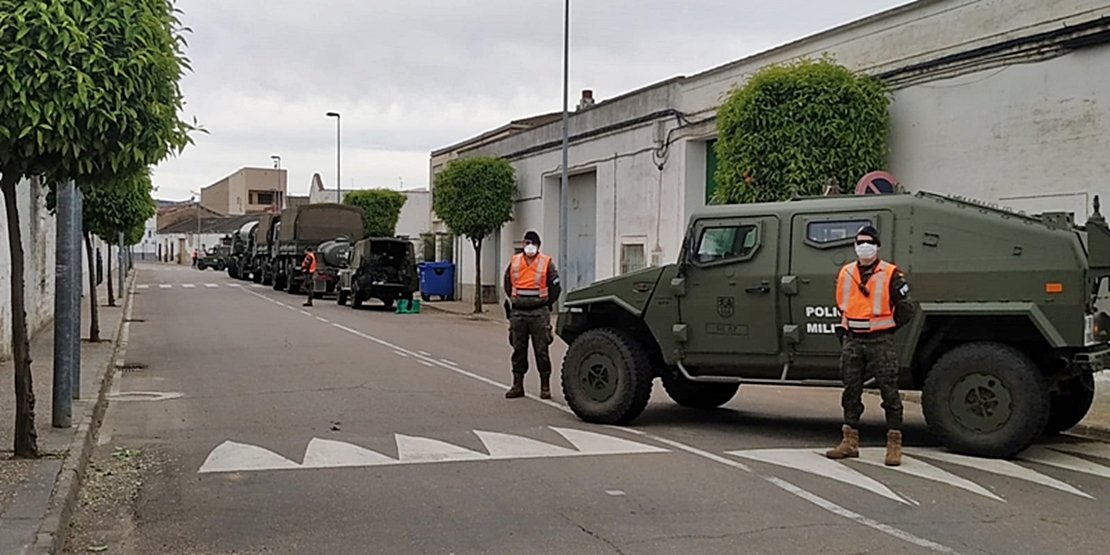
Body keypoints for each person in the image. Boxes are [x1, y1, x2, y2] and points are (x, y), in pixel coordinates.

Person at [826, 225, 914, 467]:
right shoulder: (846, 272)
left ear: (877, 246)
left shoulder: (891, 274)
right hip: (853, 340)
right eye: (860, 242)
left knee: (889, 392)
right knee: (850, 391)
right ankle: (849, 442)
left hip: (880, 340)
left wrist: (887, 328)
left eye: (869, 242)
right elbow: (842, 304)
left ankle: (894, 444)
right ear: (855, 246)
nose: (864, 247)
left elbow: (907, 309)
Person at [503, 231, 561, 400]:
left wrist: (546, 302)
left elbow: (555, 287)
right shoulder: (515, 262)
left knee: (541, 351)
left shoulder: (546, 263)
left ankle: (545, 387)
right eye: (526, 242)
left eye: (532, 243)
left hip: (539, 312)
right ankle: (517, 385)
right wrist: (515, 300)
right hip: (518, 312)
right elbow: (507, 283)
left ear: (538, 245)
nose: (528, 245)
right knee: (518, 350)